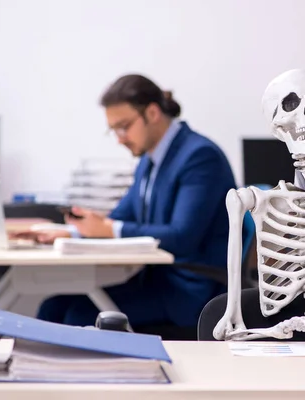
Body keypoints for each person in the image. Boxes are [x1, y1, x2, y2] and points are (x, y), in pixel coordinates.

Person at [33, 74, 237, 329]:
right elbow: (121, 216)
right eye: (114, 130)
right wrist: (74, 230)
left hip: (191, 293)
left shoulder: (199, 157)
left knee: (80, 316)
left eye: (124, 126)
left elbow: (183, 237)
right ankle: (37, 367)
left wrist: (107, 229)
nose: (119, 138)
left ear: (152, 113)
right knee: (53, 307)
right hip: (156, 282)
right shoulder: (149, 160)